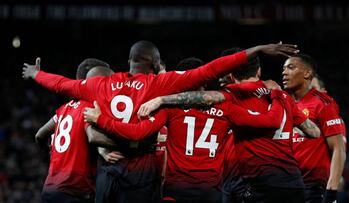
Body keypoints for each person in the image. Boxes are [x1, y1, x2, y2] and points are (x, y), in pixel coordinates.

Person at [22, 41, 299, 203]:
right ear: (155, 63)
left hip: (108, 172)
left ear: (129, 62)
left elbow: (61, 84)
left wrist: (36, 73)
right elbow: (211, 69)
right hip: (144, 173)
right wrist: (257, 49)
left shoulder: (99, 85)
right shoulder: (160, 84)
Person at [83, 57, 287, 203]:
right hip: (211, 192)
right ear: (205, 83)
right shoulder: (226, 108)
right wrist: (276, 95)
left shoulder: (170, 110)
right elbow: (269, 121)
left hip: (175, 191)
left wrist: (100, 119)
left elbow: (136, 133)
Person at [136, 48, 321, 203]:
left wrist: (160, 99)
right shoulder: (282, 97)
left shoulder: (232, 95)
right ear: (258, 72)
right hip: (293, 182)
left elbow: (205, 98)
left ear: (231, 75)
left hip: (255, 183)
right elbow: (314, 132)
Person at [34, 58, 115, 203]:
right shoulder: (90, 106)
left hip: (50, 189)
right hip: (75, 191)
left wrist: (51, 154)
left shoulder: (64, 109)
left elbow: (40, 135)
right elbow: (93, 137)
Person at [282, 54, 346, 203]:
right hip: (286, 187)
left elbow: (339, 148)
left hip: (312, 188)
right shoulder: (283, 103)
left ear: (307, 73)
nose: (284, 72)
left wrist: (331, 192)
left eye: (291, 67)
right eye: (283, 68)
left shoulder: (323, 104)